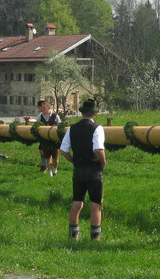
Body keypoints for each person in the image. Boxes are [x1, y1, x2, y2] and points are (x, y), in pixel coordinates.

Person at [59, 99, 106, 241]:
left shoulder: (72, 128)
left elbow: (63, 151)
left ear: (82, 112)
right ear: (95, 113)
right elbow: (98, 149)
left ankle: (73, 234)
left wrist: (74, 160)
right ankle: (95, 236)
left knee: (77, 202)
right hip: (93, 169)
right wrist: (103, 161)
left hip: (78, 169)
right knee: (96, 204)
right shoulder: (97, 128)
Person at [36, 100, 61, 176]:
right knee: (47, 157)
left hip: (54, 140)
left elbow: (60, 125)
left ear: (48, 107)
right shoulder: (40, 116)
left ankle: (55, 169)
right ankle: (50, 173)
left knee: (55, 158)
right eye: (42, 107)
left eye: (44, 107)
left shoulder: (55, 116)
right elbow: (36, 123)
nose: (42, 109)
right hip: (45, 140)